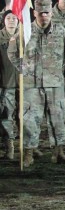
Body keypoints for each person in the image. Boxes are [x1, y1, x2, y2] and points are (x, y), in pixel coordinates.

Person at [8, 0, 65, 167]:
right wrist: (24, 69)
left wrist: (64, 72)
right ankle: (29, 153)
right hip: (32, 85)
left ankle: (58, 152)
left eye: (47, 13)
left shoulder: (60, 31)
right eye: (40, 13)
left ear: (51, 13)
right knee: (30, 120)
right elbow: (12, 51)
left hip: (55, 83)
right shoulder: (25, 31)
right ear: (34, 13)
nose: (44, 16)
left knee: (57, 118)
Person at [0, 12, 19, 159]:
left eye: (14, 18)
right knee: (6, 116)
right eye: (8, 18)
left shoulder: (26, 37)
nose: (11, 21)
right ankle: (9, 147)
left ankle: (29, 147)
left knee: (26, 116)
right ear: (3, 21)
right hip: (6, 84)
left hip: (25, 84)